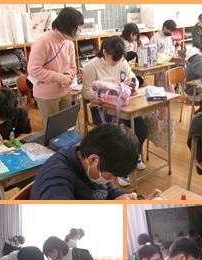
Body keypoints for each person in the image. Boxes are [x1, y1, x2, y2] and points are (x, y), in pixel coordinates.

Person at [30, 123, 161, 200]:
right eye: (111, 175)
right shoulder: (56, 182)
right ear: (93, 160)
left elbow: (110, 192)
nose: (112, 180)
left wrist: (136, 201)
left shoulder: (93, 163)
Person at [82, 36, 148, 187]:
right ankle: (119, 170)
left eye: (120, 59)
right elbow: (85, 93)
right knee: (117, 136)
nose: (117, 62)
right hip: (101, 109)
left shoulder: (122, 62)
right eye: (114, 59)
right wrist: (104, 92)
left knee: (142, 129)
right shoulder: (92, 66)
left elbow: (133, 79)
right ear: (104, 52)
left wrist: (132, 86)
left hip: (123, 106)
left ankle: (134, 156)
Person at [27, 7, 84, 125]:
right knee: (53, 129)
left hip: (65, 91)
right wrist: (59, 77)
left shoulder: (69, 42)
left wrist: (67, 75)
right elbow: (33, 69)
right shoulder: (43, 41)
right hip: (46, 95)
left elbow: (73, 67)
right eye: (78, 28)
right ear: (68, 25)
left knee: (67, 126)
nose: (80, 31)